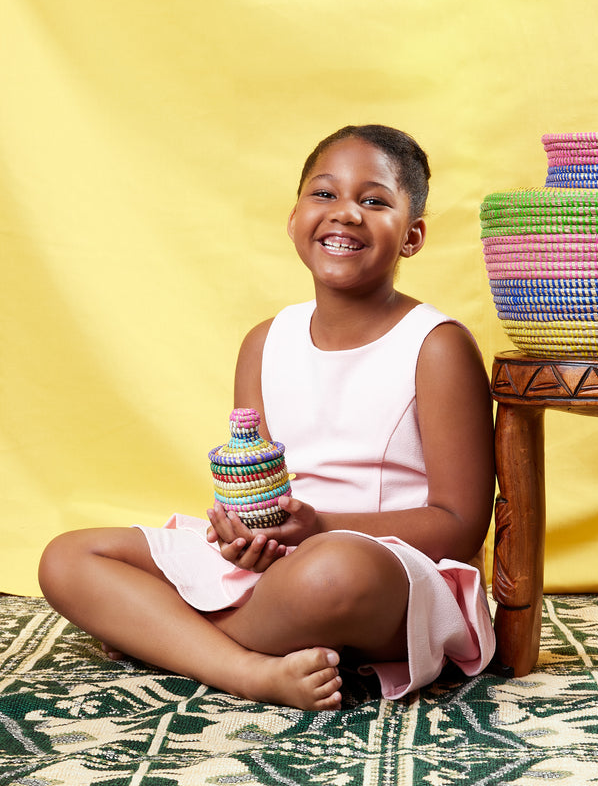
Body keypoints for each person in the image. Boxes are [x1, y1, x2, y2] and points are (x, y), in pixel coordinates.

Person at [38, 124, 497, 711]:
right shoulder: (265, 342)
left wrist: (321, 527)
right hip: (282, 564)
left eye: (375, 200)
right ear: (294, 217)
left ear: (413, 236)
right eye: (324, 194)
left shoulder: (435, 346)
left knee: (334, 572)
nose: (346, 214)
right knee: (68, 558)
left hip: (383, 575)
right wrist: (242, 533)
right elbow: (254, 480)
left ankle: (166, 635)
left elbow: (460, 523)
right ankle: (248, 669)